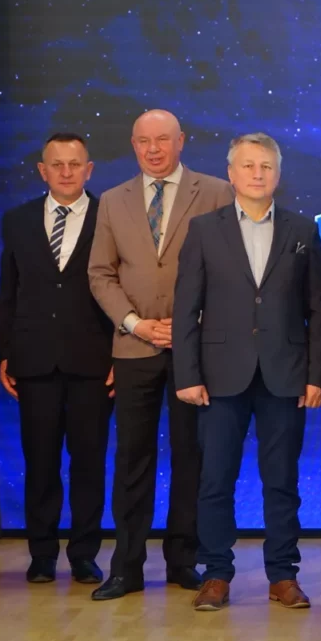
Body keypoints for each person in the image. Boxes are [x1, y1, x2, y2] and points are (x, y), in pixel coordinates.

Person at [175, 133, 321, 611]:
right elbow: (186, 308)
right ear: (231, 173)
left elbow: (318, 309)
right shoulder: (204, 229)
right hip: (219, 376)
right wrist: (187, 374)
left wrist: (317, 375)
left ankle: (282, 575)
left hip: (285, 375)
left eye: (266, 166)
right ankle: (216, 574)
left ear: (278, 174)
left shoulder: (302, 230)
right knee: (215, 480)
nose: (257, 174)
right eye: (248, 165)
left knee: (281, 481)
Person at [86, 109, 232, 600]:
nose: (153, 149)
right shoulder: (112, 200)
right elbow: (100, 273)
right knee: (133, 458)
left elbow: (229, 270)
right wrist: (135, 323)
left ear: (181, 141)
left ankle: (183, 561)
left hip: (196, 349)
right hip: (134, 346)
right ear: (133, 145)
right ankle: (126, 567)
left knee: (192, 456)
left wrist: (193, 322)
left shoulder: (216, 192)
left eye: (163, 139)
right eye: (144, 141)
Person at [0, 133, 113, 585]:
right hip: (34, 359)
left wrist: (120, 354)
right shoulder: (18, 220)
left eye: (75, 163)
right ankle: (42, 554)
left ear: (89, 169)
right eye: (57, 164)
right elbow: (10, 292)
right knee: (40, 461)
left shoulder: (110, 217)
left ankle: (84, 554)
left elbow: (122, 288)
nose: (66, 172)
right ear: (42, 170)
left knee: (89, 462)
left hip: (94, 361)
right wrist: (7, 352)